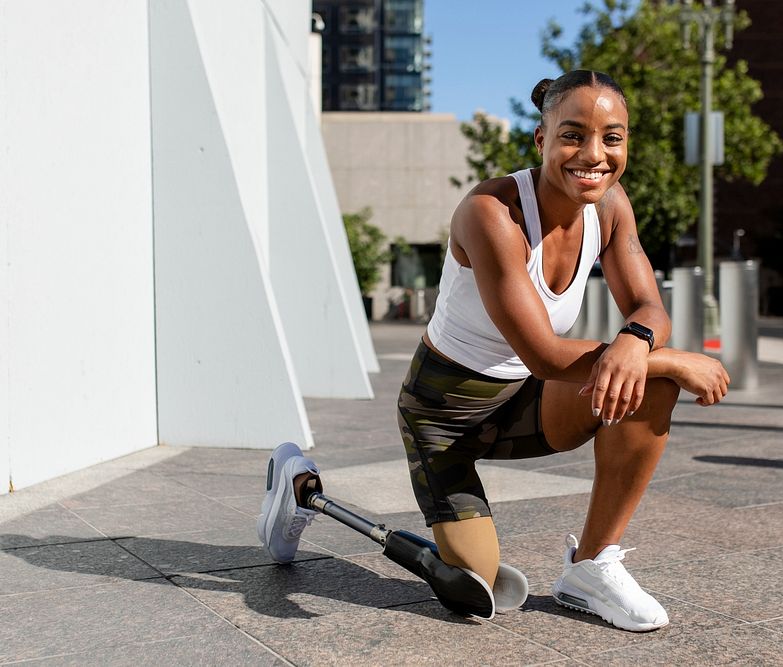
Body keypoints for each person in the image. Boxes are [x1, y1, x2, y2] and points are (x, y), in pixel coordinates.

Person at [259, 70, 730, 632]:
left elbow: (649, 306)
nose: (594, 155)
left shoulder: (609, 204)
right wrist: (674, 358)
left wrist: (638, 340)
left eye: (612, 137)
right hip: (444, 417)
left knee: (648, 383)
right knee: (477, 592)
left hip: (524, 405)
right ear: (542, 139)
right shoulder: (492, 213)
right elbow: (547, 357)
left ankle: (590, 568)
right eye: (573, 135)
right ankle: (301, 492)